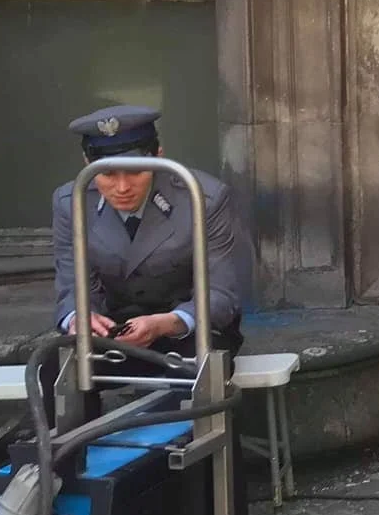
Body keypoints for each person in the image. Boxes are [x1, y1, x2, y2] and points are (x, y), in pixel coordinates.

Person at [52, 105, 249, 356]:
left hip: (187, 328)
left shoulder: (202, 198)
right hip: (115, 329)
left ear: (158, 157)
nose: (122, 187)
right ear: (87, 164)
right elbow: (73, 287)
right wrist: (78, 318)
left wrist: (167, 323)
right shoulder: (71, 203)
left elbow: (222, 294)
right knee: (55, 373)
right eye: (107, 174)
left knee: (197, 370)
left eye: (135, 171)